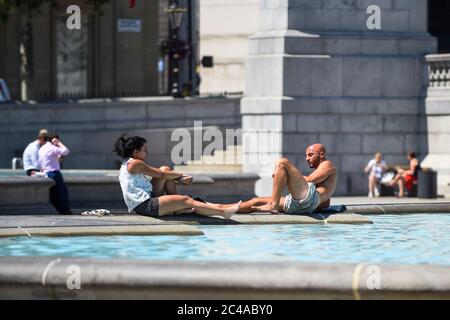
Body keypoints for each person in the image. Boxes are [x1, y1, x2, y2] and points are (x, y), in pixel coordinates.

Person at [114, 135, 240, 219]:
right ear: (136, 152)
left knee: (165, 168)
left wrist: (178, 178)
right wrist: (181, 175)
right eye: (145, 149)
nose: (147, 152)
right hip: (145, 206)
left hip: (147, 198)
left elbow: (162, 172)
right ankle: (223, 212)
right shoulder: (135, 164)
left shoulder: (130, 163)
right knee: (187, 200)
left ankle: (178, 206)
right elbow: (160, 175)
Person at [237, 143, 337, 214]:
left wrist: (285, 177)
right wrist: (282, 177)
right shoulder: (322, 173)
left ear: (322, 154)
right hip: (300, 204)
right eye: (306, 156)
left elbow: (310, 179)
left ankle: (273, 205)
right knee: (256, 201)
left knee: (282, 163)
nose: (307, 158)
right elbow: (325, 204)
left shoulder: (327, 164)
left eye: (310, 155)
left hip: (309, 200)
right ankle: (225, 208)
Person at [38, 132, 72, 214]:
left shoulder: (42, 148)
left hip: (45, 173)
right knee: (62, 192)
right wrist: (59, 143)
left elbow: (40, 162)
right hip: (54, 173)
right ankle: (65, 210)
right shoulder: (52, 147)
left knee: (53, 194)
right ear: (54, 140)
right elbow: (66, 151)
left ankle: (58, 209)